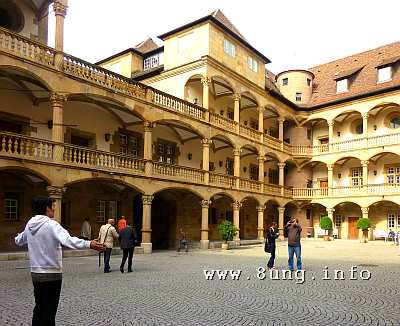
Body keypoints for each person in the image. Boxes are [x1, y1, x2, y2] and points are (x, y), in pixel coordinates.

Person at [14, 196, 104, 326]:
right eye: (53, 207)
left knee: (39, 308)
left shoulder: (30, 224)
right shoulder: (51, 224)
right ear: (47, 208)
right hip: (52, 273)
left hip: (36, 273)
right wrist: (89, 244)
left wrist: (17, 237)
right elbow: (68, 240)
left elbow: (19, 240)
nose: (54, 210)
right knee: (49, 311)